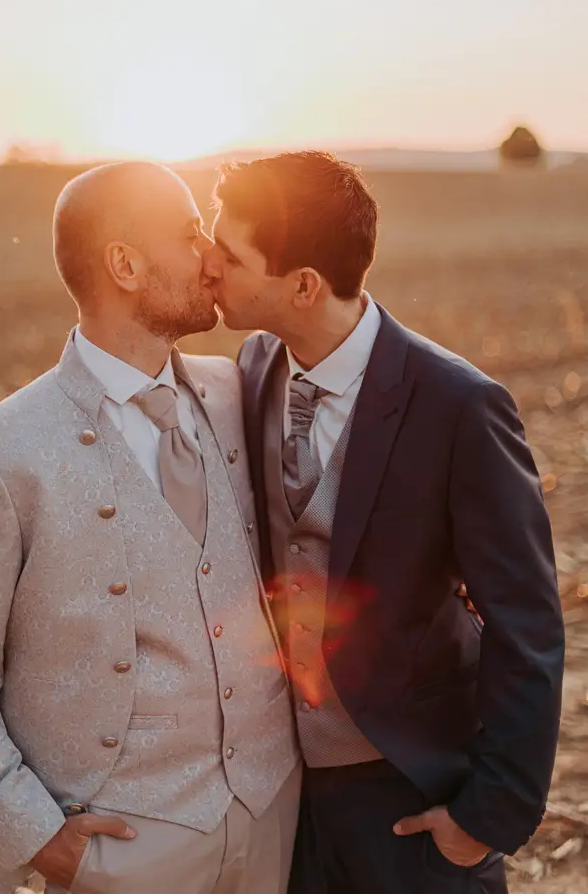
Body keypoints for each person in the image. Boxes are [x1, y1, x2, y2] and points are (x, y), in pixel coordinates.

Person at [0, 162, 300, 894]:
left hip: (267, 829)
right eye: (190, 235)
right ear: (124, 264)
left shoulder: (241, 396)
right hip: (107, 850)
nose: (210, 255)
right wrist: (40, 840)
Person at [202, 150, 565, 894]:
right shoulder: (253, 366)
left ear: (303, 284)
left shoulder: (458, 406)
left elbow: (526, 624)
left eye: (230, 253)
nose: (209, 264)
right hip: (285, 799)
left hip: (412, 796)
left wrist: (484, 820)